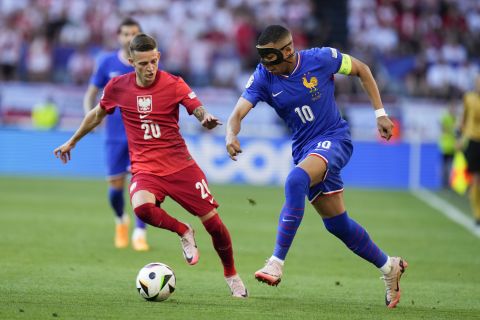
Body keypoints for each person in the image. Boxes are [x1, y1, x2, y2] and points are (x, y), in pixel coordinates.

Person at [226, 25, 407, 308]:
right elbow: (238, 112)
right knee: (338, 226)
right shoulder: (264, 76)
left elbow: (362, 69)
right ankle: (389, 268)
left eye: (271, 61)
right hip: (304, 150)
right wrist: (230, 134)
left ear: (287, 51)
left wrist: (380, 114)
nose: (267, 68)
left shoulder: (321, 58)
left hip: (334, 139)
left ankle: (276, 261)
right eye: (264, 62)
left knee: (295, 180)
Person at [54, 33, 248, 298]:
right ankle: (183, 230)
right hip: (146, 168)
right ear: (132, 62)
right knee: (142, 209)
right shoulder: (117, 87)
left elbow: (196, 107)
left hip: (181, 166)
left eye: (153, 61)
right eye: (143, 63)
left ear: (158, 57)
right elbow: (97, 114)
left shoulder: (174, 83)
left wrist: (205, 118)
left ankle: (231, 275)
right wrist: (72, 141)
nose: (149, 68)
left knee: (214, 225)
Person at [83, 18, 149, 251]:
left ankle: (140, 234)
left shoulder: (147, 62)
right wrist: (90, 119)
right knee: (115, 189)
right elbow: (90, 94)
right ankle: (121, 220)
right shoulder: (106, 62)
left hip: (140, 136)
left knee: (141, 187)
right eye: (125, 34)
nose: (130, 38)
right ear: (119, 37)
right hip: (113, 135)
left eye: (134, 33)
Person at [460, 75, 480, 226]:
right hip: (473, 141)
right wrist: (460, 138)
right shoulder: (469, 98)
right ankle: (477, 213)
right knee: (475, 179)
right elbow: (464, 120)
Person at [438, 102, 457, 188]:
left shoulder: (456, 118)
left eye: (454, 108)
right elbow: (443, 128)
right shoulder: (446, 117)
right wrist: (452, 129)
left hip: (453, 147)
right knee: (445, 167)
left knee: (451, 167)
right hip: (445, 146)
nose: (453, 110)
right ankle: (444, 184)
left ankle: (450, 184)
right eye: (452, 108)